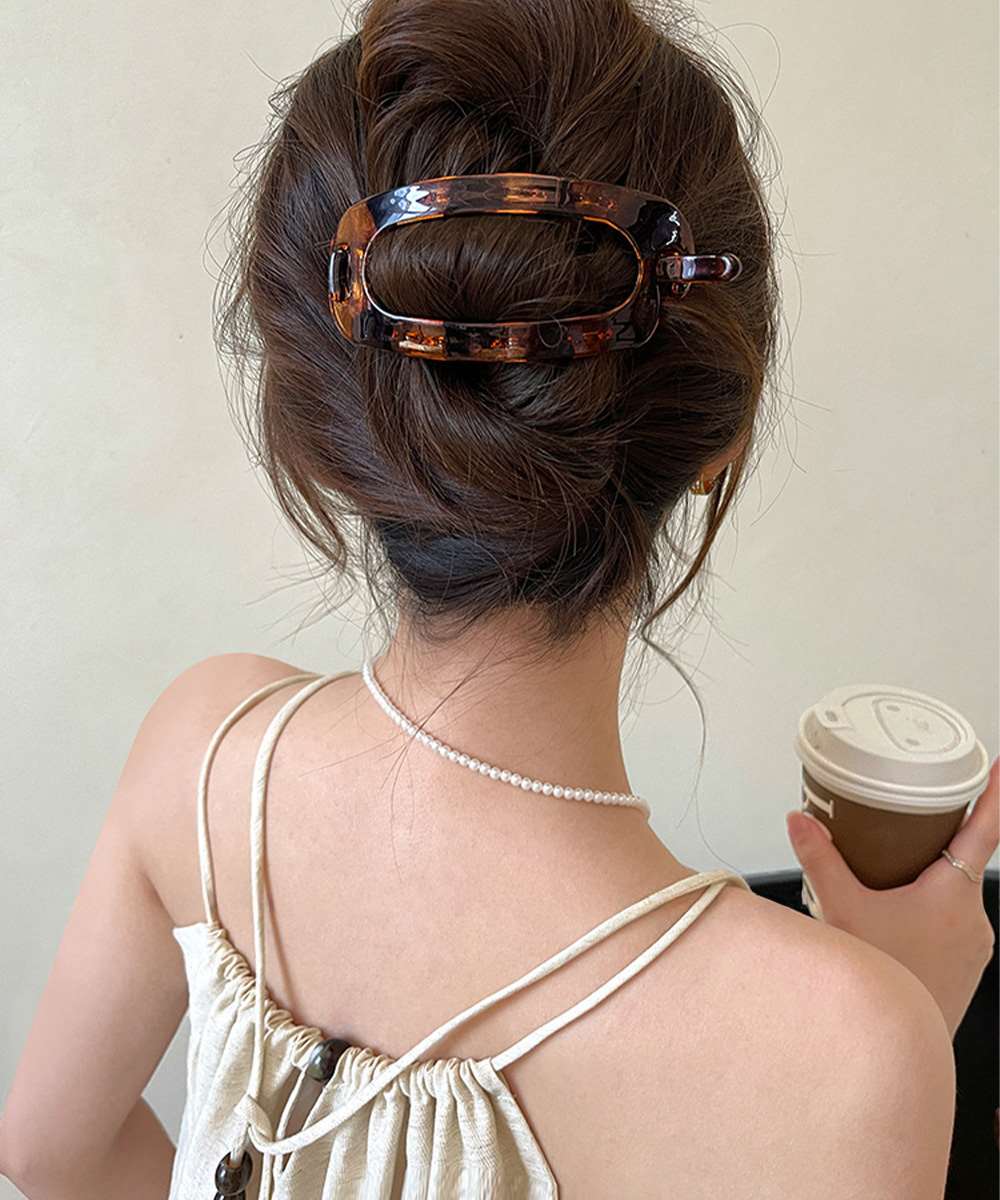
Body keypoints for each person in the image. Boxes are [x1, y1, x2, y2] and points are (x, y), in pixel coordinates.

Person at [2, 0, 996, 1196]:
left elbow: (49, 1149)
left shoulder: (206, 757)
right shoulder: (840, 1055)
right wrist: (902, 1012)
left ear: (323, 441)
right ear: (719, 438)